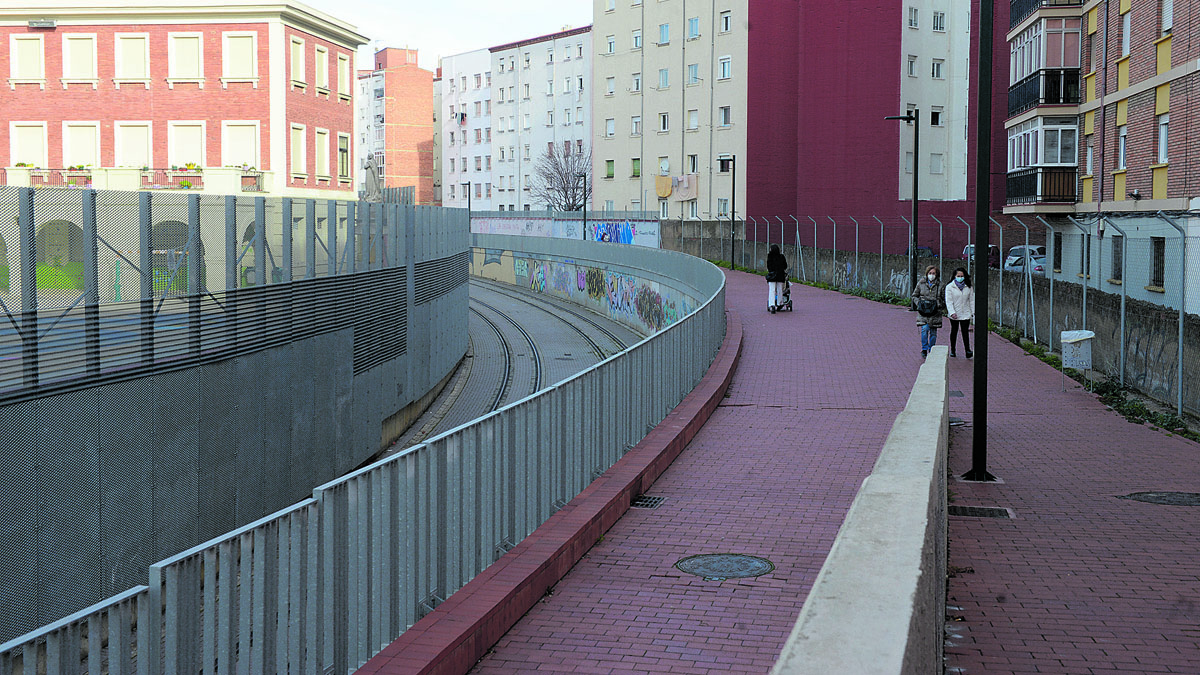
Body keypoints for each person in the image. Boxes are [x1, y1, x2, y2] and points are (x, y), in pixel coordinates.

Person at [911, 265, 943, 358]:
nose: (931, 275)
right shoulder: (921, 283)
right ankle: (924, 349)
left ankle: (931, 348)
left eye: (933, 273)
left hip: (935, 312)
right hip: (923, 312)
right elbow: (914, 295)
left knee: (933, 332)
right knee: (924, 329)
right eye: (930, 273)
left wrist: (939, 305)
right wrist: (919, 304)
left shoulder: (940, 285)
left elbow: (944, 298)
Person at [944, 267, 974, 358]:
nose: (960, 277)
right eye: (958, 276)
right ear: (954, 276)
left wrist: (973, 312)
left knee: (965, 332)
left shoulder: (968, 287)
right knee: (954, 331)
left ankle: (967, 350)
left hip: (965, 312)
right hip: (955, 313)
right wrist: (952, 312)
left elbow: (971, 300)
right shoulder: (950, 287)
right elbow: (949, 301)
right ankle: (953, 349)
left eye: (962, 276)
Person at [766, 244, 788, 311]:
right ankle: (779, 303)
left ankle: (772, 305)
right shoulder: (781, 257)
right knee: (780, 290)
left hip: (772, 276)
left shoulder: (770, 257)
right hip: (780, 275)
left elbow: (768, 267)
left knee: (772, 290)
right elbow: (785, 266)